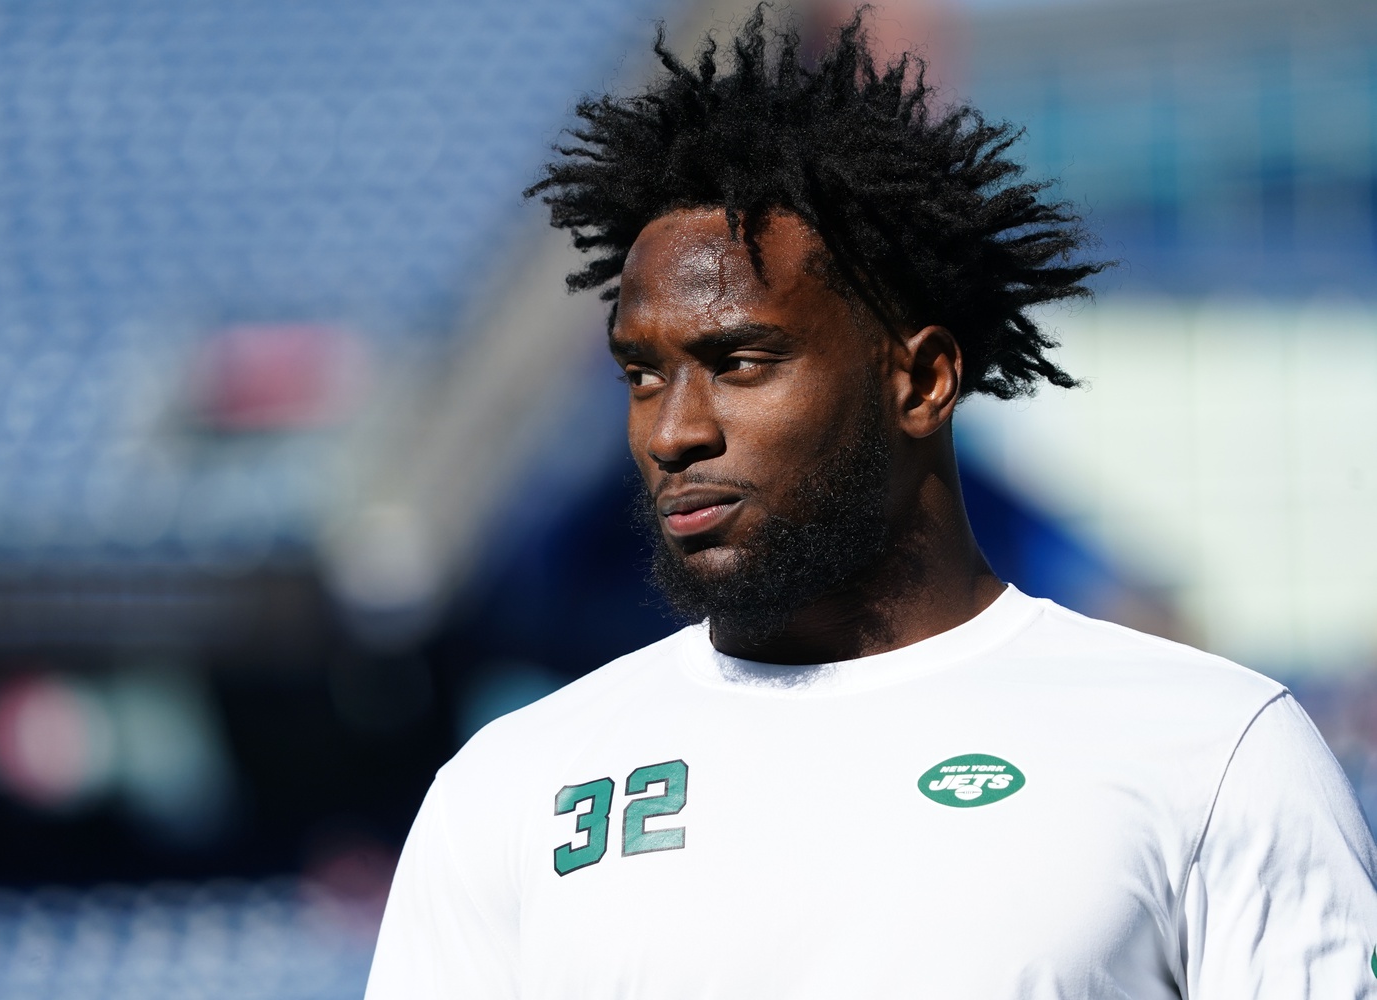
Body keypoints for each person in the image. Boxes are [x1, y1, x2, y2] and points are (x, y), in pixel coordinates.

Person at [365, 9, 1377, 997]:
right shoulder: (505, 793)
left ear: (923, 380)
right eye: (641, 373)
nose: (674, 430)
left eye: (740, 361)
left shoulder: (1215, 750)